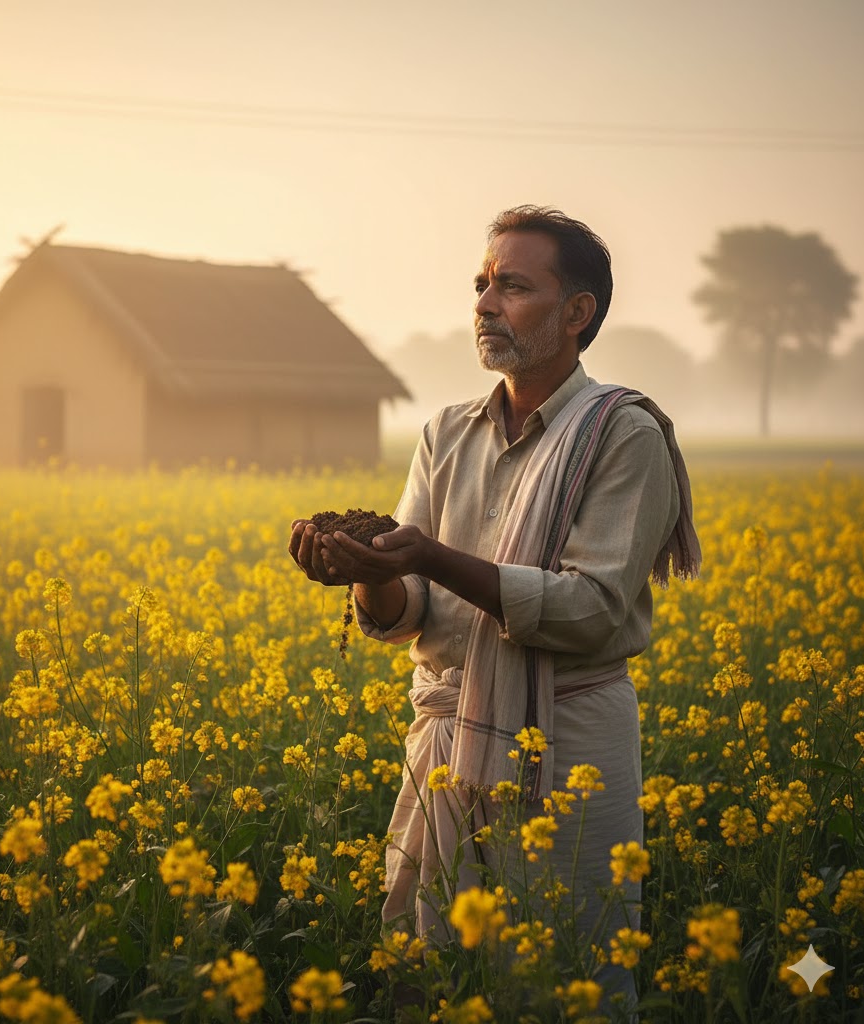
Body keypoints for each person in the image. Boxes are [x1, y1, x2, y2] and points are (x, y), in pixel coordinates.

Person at [288, 205, 700, 1008]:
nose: (483, 303)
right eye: (481, 284)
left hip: (570, 742)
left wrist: (432, 555)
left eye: (513, 285)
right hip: (446, 737)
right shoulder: (448, 433)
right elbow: (409, 610)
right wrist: (364, 571)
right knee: (433, 971)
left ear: (576, 313)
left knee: (563, 969)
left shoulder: (624, 435)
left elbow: (590, 608)